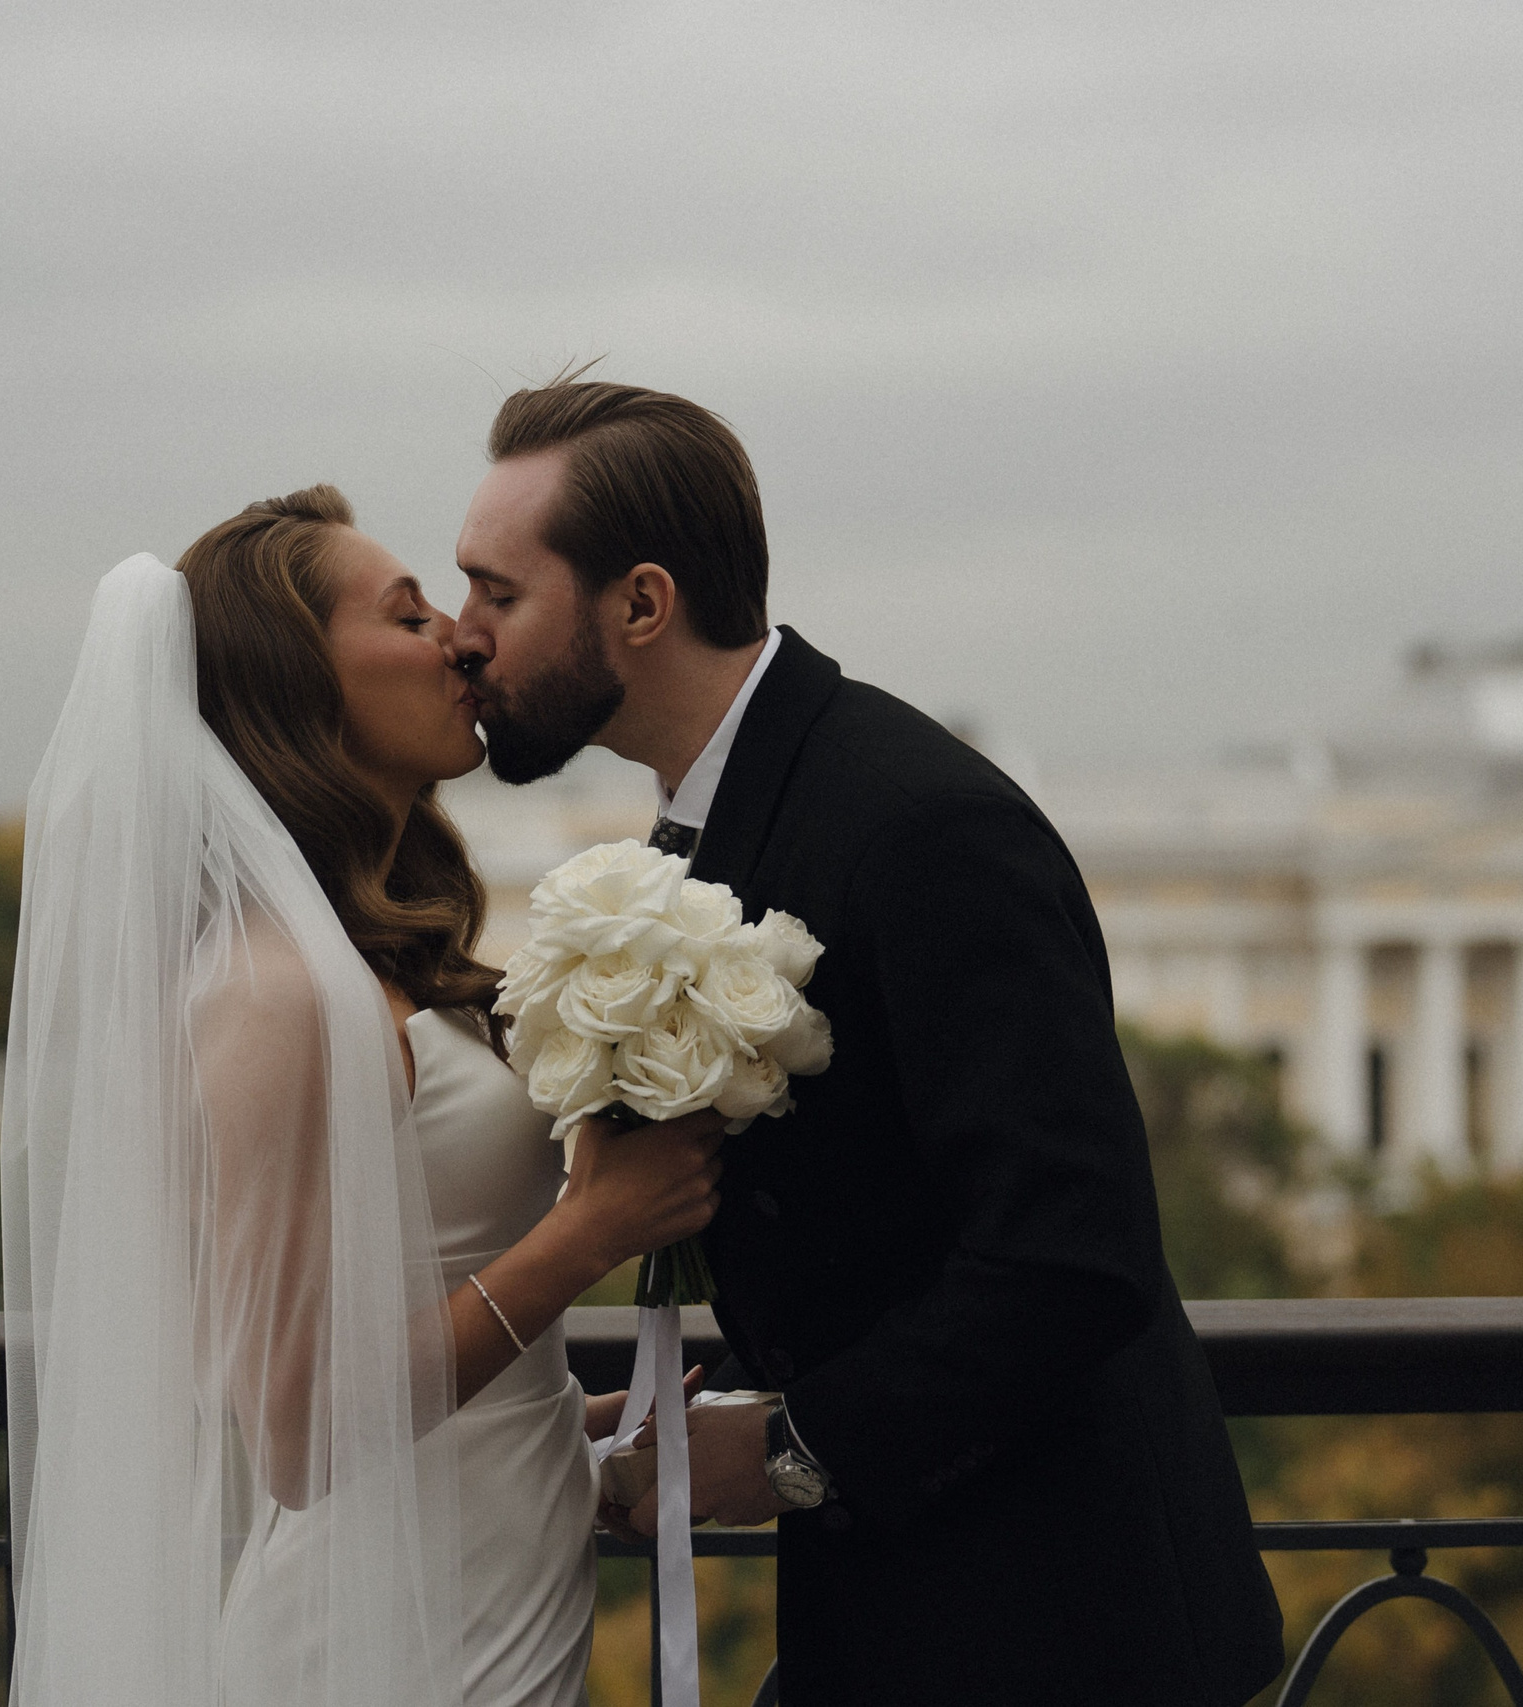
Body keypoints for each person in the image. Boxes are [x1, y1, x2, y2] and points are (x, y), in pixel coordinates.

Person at [451, 380, 1287, 1704]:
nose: (463, 635)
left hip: (1060, 1632)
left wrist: (784, 1447)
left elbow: (1071, 1255)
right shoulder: (725, 812)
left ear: (642, 604)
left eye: (498, 594)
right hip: (908, 1610)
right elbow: (872, 1214)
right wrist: (713, 1390)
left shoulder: (919, 824)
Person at [1, 486, 723, 1707]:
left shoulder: (375, 957)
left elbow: (415, 1321)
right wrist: (590, 1232)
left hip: (484, 1604)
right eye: (407, 614)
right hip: (374, 1656)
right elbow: (296, 1429)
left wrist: (572, 1435)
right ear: (300, 684)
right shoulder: (271, 989)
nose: (457, 637)